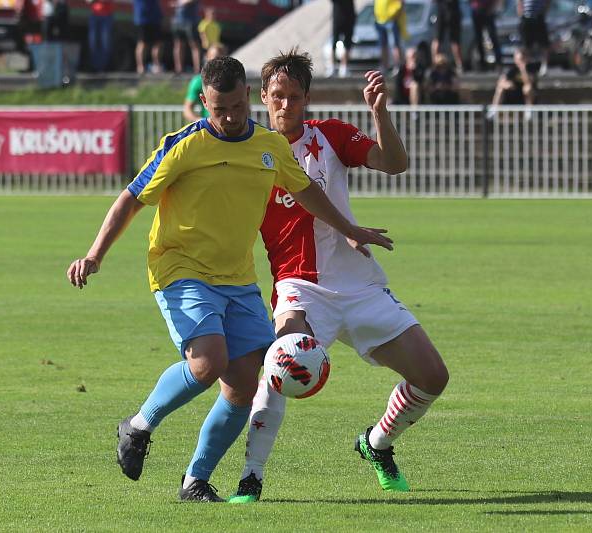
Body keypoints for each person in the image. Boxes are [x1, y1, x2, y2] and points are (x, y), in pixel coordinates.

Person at [66, 55, 395, 503]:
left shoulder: (268, 145)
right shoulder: (183, 145)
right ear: (204, 101)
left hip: (237, 277)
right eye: (218, 109)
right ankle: (139, 425)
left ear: (248, 98)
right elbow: (130, 199)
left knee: (243, 383)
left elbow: (307, 192)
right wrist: (94, 255)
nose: (229, 117)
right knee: (208, 362)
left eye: (237, 107)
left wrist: (350, 229)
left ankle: (195, 481)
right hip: (180, 269)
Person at [227, 49, 448, 504]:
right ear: (262, 99)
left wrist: (380, 114)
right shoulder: (248, 158)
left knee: (433, 377)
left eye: (293, 96)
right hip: (299, 288)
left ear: (306, 98)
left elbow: (394, 163)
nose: (284, 105)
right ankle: (250, 478)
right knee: (280, 364)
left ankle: (377, 444)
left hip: (359, 284)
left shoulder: (328, 136)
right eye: (276, 96)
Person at [182, 43, 225, 122]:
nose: (218, 62)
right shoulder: (198, 81)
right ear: (207, 58)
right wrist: (200, 121)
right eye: (215, 58)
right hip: (210, 128)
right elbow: (187, 109)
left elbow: (246, 107)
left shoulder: (234, 79)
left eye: (221, 58)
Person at [517, 0, 549, 76]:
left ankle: (544, 65)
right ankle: (527, 66)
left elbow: (548, 2)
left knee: (543, 44)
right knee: (526, 45)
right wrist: (521, 14)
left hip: (538, 17)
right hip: (526, 17)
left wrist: (543, 12)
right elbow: (519, 2)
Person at [373, 0, 405, 74]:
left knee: (395, 45)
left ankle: (397, 66)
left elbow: (401, 2)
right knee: (383, 45)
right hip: (380, 20)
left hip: (391, 19)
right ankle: (384, 67)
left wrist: (394, 13)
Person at [432, 0, 464, 73]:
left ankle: (459, 64)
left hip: (451, 12)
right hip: (444, 12)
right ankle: (435, 63)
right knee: (438, 40)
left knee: (454, 41)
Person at [469, 0, 502, 71]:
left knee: (493, 37)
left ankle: (498, 62)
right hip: (476, 11)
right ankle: (482, 64)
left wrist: (492, 9)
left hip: (488, 11)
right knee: (479, 39)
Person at [134, 0, 163, 73]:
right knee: (142, 43)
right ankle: (141, 67)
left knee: (157, 44)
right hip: (143, 18)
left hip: (154, 18)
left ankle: (156, 66)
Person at [328, 0, 356, 77]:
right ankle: (333, 67)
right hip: (338, 17)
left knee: (347, 44)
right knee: (334, 43)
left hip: (349, 18)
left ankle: (343, 67)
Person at [171, 0, 201, 74]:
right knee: (178, 45)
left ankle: (197, 69)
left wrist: (179, 3)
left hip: (190, 22)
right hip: (178, 21)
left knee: (194, 45)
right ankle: (179, 68)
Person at [87, 0, 113, 73]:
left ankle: (103, 67)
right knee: (93, 42)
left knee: (105, 43)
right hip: (94, 15)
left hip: (106, 16)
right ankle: (95, 67)